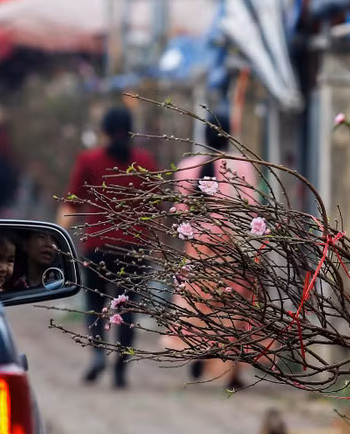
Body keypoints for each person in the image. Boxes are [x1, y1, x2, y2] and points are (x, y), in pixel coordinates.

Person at [58, 105, 157, 389]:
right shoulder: (146, 161)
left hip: (97, 246)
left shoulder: (89, 160)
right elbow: (156, 206)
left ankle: (99, 354)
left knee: (95, 305)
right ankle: (121, 370)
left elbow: (71, 203)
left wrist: (55, 236)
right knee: (128, 310)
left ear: (103, 129)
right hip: (134, 248)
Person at [160, 111, 259, 391]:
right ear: (229, 134)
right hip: (231, 250)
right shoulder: (242, 166)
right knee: (233, 310)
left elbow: (179, 210)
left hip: (198, 250)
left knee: (197, 306)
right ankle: (229, 371)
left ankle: (200, 351)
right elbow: (250, 210)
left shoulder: (186, 166)